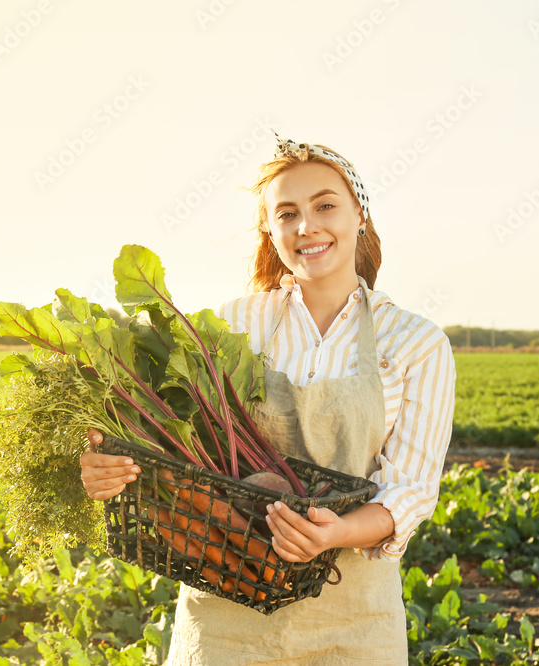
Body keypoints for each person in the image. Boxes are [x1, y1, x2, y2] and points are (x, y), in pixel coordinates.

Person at [80, 133, 457, 664]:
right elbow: (158, 444)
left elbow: (411, 489)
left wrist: (338, 532)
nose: (307, 226)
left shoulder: (415, 342)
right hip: (224, 606)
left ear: (360, 216)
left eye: (325, 205)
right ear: (270, 230)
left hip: (353, 620)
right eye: (287, 213)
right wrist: (109, 467)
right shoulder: (231, 326)